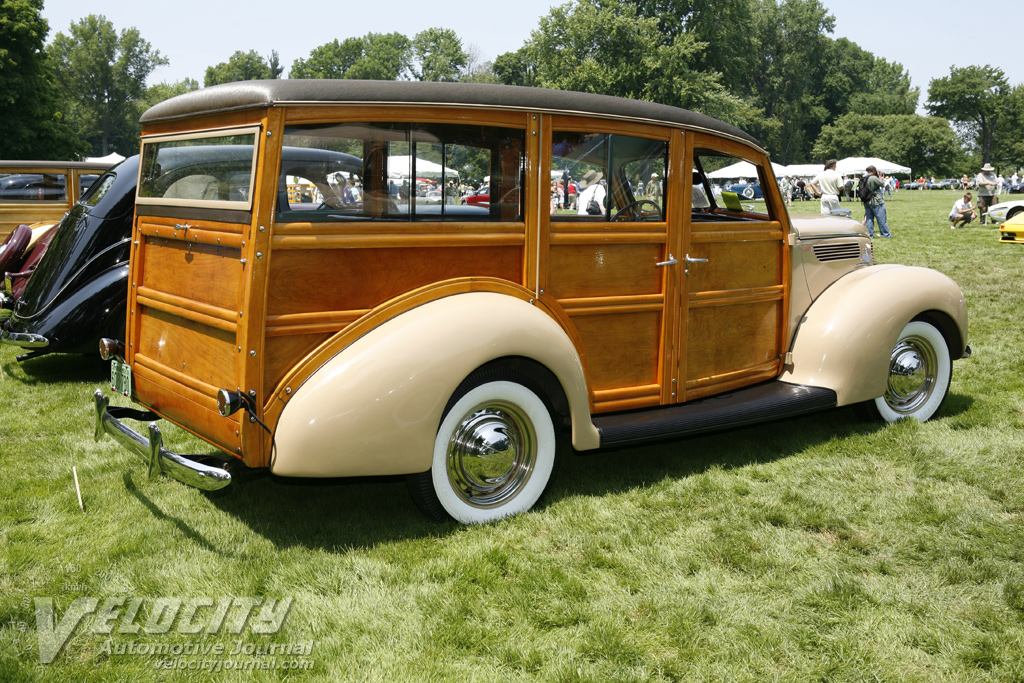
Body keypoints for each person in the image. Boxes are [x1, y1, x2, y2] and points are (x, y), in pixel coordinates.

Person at [861, 165, 892, 238]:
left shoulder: (863, 178)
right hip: (876, 200)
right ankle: (886, 234)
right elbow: (883, 184)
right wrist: (879, 176)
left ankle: (869, 234)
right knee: (881, 218)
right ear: (874, 171)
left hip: (867, 201)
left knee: (869, 219)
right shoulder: (873, 178)